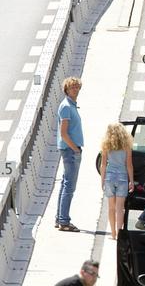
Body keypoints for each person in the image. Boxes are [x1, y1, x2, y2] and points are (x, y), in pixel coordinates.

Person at [56, 77, 84, 232]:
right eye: (72, 87)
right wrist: (76, 149)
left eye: (77, 87)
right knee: (69, 186)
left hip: (70, 149)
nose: (75, 89)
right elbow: (64, 133)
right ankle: (64, 221)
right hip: (70, 150)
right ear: (66, 89)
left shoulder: (71, 105)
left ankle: (59, 218)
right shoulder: (66, 107)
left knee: (65, 183)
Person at [99, 123, 134, 239]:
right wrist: (131, 181)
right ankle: (119, 233)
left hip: (109, 177)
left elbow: (103, 165)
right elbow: (129, 164)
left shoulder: (106, 145)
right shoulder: (126, 146)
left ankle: (112, 233)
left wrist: (102, 180)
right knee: (120, 208)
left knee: (111, 207)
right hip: (122, 178)